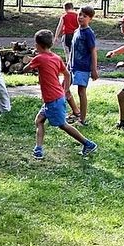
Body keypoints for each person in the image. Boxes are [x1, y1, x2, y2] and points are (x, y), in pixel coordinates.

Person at [27, 30, 97, 160]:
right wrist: (65, 90)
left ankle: (88, 144)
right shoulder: (56, 57)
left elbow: (25, 69)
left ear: (38, 45)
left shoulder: (39, 58)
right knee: (39, 120)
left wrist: (30, 60)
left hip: (53, 100)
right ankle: (38, 149)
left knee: (63, 125)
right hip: (55, 98)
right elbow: (67, 74)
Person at [65, 6, 99, 125]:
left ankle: (82, 119)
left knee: (81, 92)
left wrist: (94, 69)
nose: (81, 17)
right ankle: (75, 111)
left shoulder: (88, 33)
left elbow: (93, 51)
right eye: (79, 14)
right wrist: (68, 65)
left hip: (83, 67)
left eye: (85, 16)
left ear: (90, 19)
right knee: (63, 88)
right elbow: (72, 50)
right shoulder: (76, 31)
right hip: (72, 67)